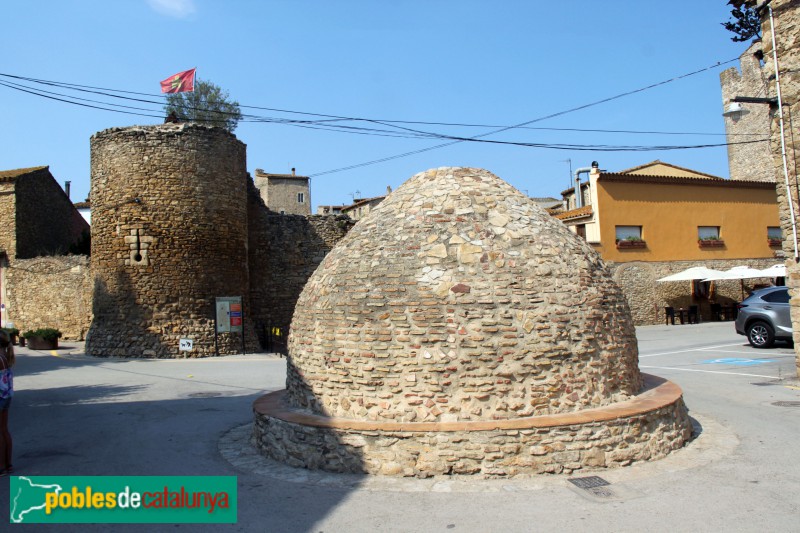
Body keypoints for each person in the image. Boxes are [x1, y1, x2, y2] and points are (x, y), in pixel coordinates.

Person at [0, 329, 14, 476]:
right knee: (4, 430)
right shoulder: (5, 356)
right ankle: (7, 464)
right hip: (5, 396)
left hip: (1, 397)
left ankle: (2, 466)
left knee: (1, 431)